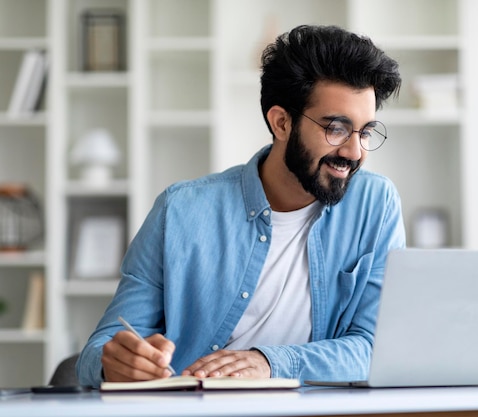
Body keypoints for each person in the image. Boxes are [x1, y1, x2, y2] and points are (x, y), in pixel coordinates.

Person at [76, 24, 405, 387]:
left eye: (366, 132)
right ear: (281, 122)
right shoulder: (180, 210)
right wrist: (115, 364)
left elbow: (378, 349)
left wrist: (269, 362)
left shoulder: (375, 204)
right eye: (337, 129)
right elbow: (101, 348)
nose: (355, 152)